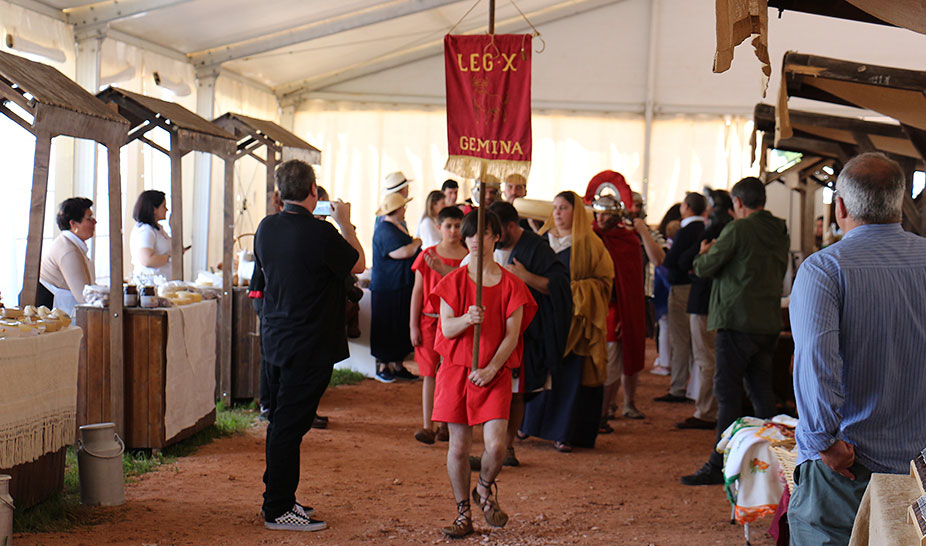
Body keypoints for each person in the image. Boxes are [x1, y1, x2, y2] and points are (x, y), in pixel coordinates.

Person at [788, 152, 926, 544]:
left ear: (841, 206)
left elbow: (817, 362)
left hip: (850, 467)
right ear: (899, 202)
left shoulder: (825, 269)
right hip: (921, 468)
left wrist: (821, 441)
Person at [254, 159, 365, 531]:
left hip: (276, 337)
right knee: (289, 425)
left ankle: (279, 497)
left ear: (278, 193)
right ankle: (277, 508)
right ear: (313, 191)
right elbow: (359, 264)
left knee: (282, 421)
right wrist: (345, 222)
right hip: (309, 342)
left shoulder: (266, 227)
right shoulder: (321, 234)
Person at [430, 210, 536, 538]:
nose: (477, 240)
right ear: (466, 238)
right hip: (456, 371)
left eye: (484, 234)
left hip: (494, 373)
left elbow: (512, 335)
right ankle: (464, 513)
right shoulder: (453, 282)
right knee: (459, 446)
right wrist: (466, 319)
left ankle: (485, 488)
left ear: (495, 237)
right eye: (471, 234)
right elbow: (446, 328)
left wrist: (491, 369)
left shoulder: (512, 284)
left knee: (496, 447)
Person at [680, 176, 789, 486]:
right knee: (761, 393)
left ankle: (719, 463)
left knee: (728, 394)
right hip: (767, 322)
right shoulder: (779, 229)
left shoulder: (739, 228)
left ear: (738, 203)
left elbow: (704, 267)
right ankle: (775, 460)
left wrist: (704, 251)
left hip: (736, 321)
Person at [521, 191, 614, 452]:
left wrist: (575, 291)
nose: (558, 213)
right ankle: (528, 425)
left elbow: (604, 282)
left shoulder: (591, 244)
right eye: (556, 208)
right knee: (540, 369)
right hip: (544, 319)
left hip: (576, 321)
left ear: (577, 213)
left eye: (564, 208)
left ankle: (565, 432)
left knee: (570, 376)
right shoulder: (541, 241)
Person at [487, 200, 571, 466]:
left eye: (499, 231)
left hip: (525, 334)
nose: (496, 237)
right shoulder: (489, 247)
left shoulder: (537, 249)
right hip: (490, 332)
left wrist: (526, 276)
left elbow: (558, 286)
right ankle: (491, 446)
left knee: (515, 392)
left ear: (512, 225)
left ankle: (507, 448)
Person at [675, 189, 734, 430]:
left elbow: (685, 260)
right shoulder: (729, 230)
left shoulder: (717, 230)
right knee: (710, 356)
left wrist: (700, 256)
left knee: (706, 357)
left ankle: (707, 410)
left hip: (704, 300)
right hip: (716, 301)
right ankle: (709, 408)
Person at [410, 206, 467, 445]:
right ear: (438, 228)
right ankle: (427, 425)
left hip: (455, 323)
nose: (453, 231)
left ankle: (445, 424)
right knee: (429, 373)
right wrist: (413, 325)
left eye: (457, 226)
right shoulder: (427, 255)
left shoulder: (467, 257)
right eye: (448, 226)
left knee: (450, 373)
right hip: (429, 320)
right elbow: (418, 291)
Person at [592, 194, 647, 426]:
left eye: (606, 213)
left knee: (611, 363)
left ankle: (603, 412)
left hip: (614, 308)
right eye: (598, 212)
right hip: (591, 307)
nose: (600, 217)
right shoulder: (589, 236)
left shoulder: (628, 241)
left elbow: (631, 284)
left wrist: (626, 315)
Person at [654, 192, 707, 404]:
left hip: (680, 287)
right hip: (696, 288)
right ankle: (694, 388)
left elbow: (671, 261)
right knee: (695, 341)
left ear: (686, 207)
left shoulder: (685, 231)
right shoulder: (704, 228)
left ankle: (677, 388)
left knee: (680, 340)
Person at [371, 191, 422, 382]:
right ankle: (384, 366)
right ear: (397, 209)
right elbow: (402, 252)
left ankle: (398, 364)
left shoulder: (394, 226)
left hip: (399, 285)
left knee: (399, 325)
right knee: (386, 326)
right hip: (387, 288)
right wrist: (417, 242)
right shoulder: (385, 229)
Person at [39, 197, 96, 313]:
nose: (95, 221)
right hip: (48, 311)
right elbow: (83, 296)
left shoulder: (71, 244)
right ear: (73, 224)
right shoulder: (68, 250)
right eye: (89, 218)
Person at [130, 190, 172, 280]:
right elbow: (147, 260)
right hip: (150, 285)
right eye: (164, 206)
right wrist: (170, 257)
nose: (167, 209)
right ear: (154, 209)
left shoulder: (159, 228)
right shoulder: (145, 230)